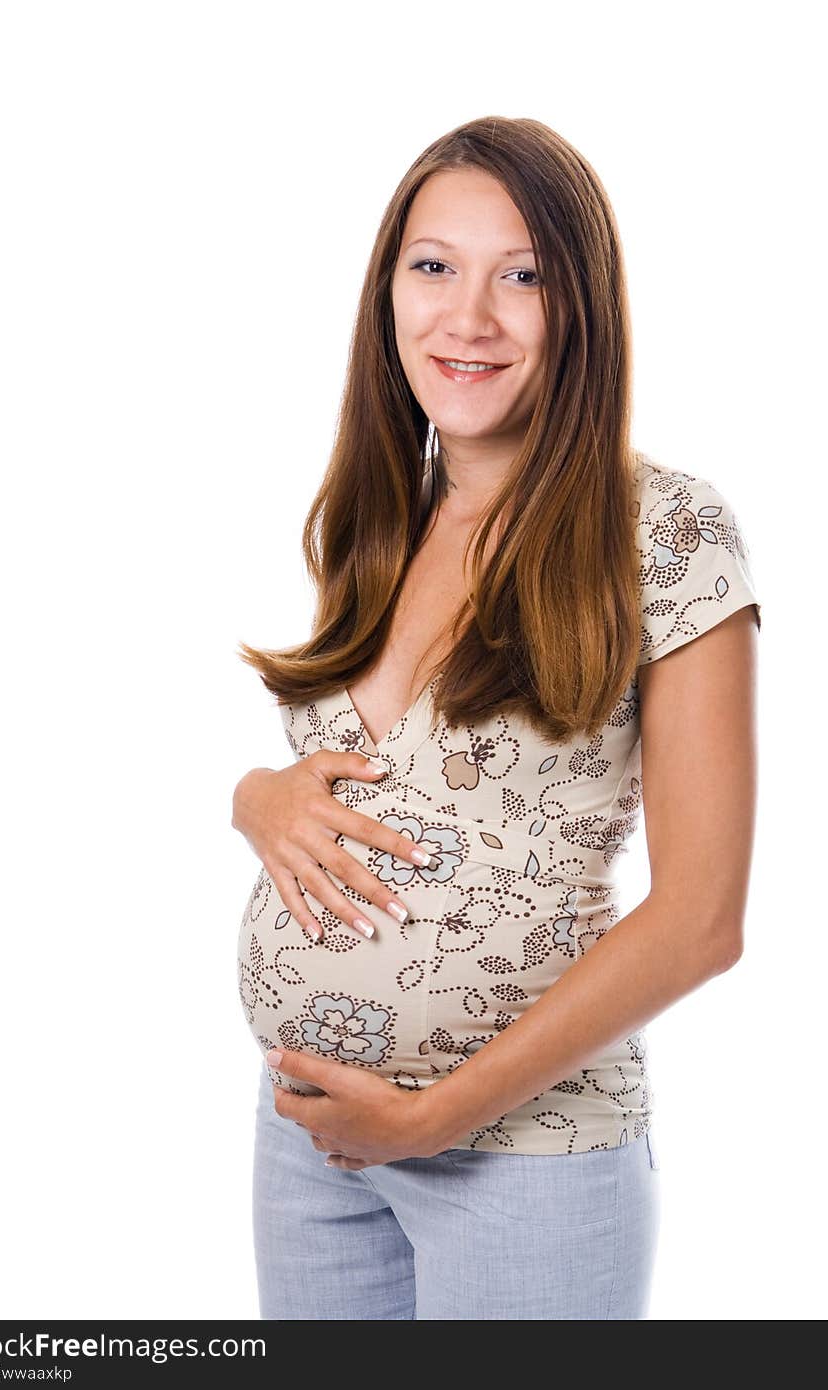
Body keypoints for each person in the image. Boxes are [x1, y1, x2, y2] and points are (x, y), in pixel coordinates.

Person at [230, 115, 761, 1320]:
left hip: (528, 1161)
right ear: (387, 294)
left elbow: (701, 919)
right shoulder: (383, 515)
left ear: (580, 306)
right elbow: (369, 775)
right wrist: (253, 799)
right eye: (434, 266)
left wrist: (429, 1118)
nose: (467, 316)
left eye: (520, 275)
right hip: (307, 1141)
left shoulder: (666, 531)